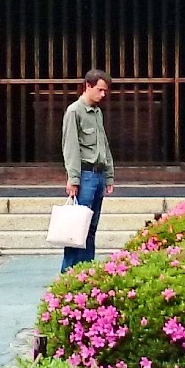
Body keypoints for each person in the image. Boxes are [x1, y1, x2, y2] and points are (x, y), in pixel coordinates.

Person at [58, 69, 114, 267]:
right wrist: (73, 179)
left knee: (91, 228)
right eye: (99, 90)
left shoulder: (97, 112)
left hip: (98, 174)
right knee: (77, 228)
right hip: (85, 175)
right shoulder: (74, 111)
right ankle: (70, 271)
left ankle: (86, 269)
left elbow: (103, 145)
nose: (103, 94)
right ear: (88, 86)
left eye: (105, 90)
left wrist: (109, 176)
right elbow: (70, 147)